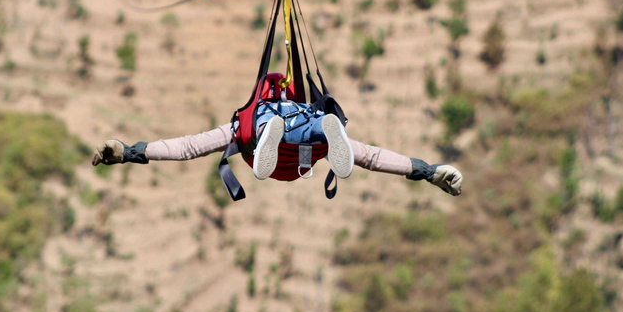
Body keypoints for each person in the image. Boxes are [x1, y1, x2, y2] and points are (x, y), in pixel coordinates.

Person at [91, 102, 464, 196]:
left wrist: (131, 152)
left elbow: (189, 147)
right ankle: (311, 129)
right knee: (326, 141)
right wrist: (426, 171)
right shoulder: (302, 153)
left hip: (267, 130)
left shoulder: (242, 132)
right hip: (303, 126)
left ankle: (280, 132)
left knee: (308, 148)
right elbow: (372, 157)